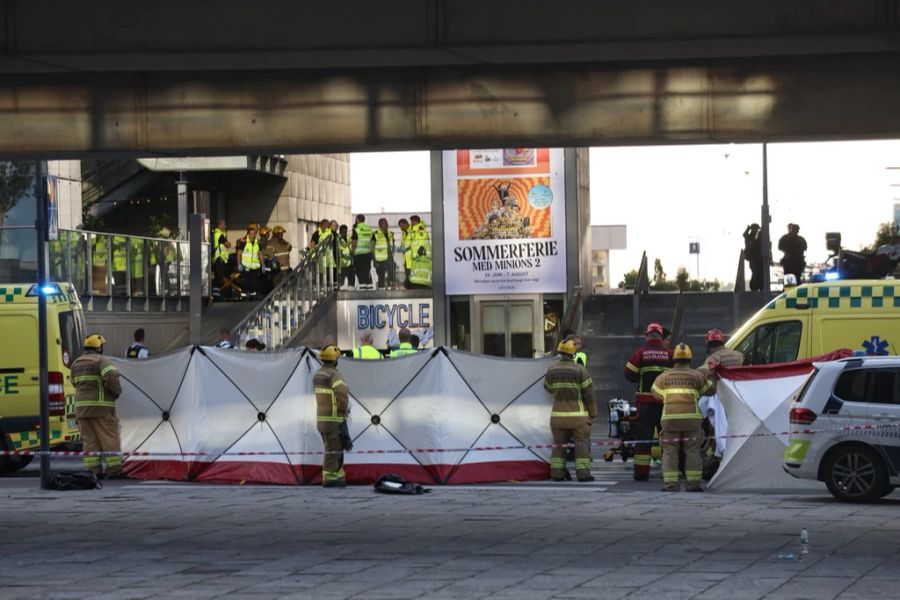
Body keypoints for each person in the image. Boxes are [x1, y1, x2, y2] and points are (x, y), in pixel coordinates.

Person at [651, 343, 715, 492]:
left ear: (674, 359)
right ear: (690, 359)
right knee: (692, 451)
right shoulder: (697, 376)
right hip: (691, 421)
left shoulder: (663, 377)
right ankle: (693, 485)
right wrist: (710, 377)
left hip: (670, 420)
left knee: (670, 452)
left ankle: (671, 485)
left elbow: (655, 394)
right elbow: (711, 391)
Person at [624, 322, 674, 481]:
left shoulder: (640, 353)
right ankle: (670, 472)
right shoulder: (670, 354)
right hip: (665, 404)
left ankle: (641, 473)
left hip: (645, 404)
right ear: (661, 337)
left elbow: (629, 374)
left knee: (643, 440)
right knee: (667, 440)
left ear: (647, 336)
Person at [71, 334, 125, 479]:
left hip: (81, 410)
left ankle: (93, 470)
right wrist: (116, 392)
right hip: (101, 409)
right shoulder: (102, 361)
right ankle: (114, 470)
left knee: (90, 441)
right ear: (99, 348)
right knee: (109, 438)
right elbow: (112, 378)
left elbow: (74, 383)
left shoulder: (76, 363)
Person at [544, 339, 597, 482]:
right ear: (573, 353)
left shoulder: (552, 369)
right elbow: (589, 393)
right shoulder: (580, 370)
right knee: (581, 445)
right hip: (578, 417)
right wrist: (593, 413)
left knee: (558, 446)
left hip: (558, 417)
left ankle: (557, 474)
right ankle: (583, 474)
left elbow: (548, 388)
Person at [697, 329, 744, 477]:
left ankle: (715, 463)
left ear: (709, 345)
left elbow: (702, 372)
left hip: (720, 400)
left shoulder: (713, 358)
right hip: (737, 399)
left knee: (715, 431)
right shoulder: (738, 355)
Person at [314, 344, 350, 487]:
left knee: (332, 447)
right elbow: (341, 393)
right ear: (335, 359)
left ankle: (338, 475)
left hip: (322, 419)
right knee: (334, 449)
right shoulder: (334, 374)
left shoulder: (319, 374)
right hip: (334, 418)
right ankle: (330, 478)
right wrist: (343, 410)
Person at [236, 224, 266, 299]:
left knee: (254, 283)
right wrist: (239, 264)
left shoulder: (258, 243)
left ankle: (253, 297)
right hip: (246, 266)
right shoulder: (244, 242)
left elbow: (260, 254)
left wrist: (263, 265)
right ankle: (244, 297)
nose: (252, 235)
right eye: (250, 234)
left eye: (253, 233)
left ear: (256, 234)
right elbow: (239, 254)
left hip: (255, 267)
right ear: (248, 234)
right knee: (246, 282)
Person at [310, 219, 336, 288]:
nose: (328, 226)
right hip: (320, 256)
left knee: (328, 272)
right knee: (320, 273)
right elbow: (312, 244)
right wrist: (318, 250)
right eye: (326, 225)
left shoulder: (329, 232)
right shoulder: (317, 233)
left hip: (328, 257)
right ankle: (321, 286)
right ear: (322, 225)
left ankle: (327, 286)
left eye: (328, 225)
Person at [351, 214, 374, 289]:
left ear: (357, 219)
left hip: (358, 254)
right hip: (368, 254)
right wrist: (373, 254)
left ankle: (363, 288)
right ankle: (369, 287)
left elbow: (354, 243)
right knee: (367, 271)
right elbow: (372, 243)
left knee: (360, 272)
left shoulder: (356, 229)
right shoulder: (369, 229)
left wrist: (352, 253)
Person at [211, 219, 232, 300]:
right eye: (224, 224)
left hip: (218, 259)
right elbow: (228, 244)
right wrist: (228, 243)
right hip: (219, 258)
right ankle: (216, 296)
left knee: (219, 277)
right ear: (219, 225)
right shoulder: (219, 234)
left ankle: (217, 294)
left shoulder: (217, 233)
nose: (225, 226)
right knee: (219, 277)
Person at [373, 218, 395, 289]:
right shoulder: (375, 234)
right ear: (380, 225)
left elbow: (392, 244)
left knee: (391, 272)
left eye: (386, 223)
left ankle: (391, 286)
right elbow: (372, 247)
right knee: (381, 275)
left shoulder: (391, 233)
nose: (386, 224)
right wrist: (374, 259)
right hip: (380, 258)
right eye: (383, 223)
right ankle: (381, 288)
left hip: (389, 256)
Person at [742, 223, 763, 291]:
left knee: (756, 273)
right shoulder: (751, 237)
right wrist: (748, 229)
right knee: (756, 273)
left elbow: (744, 234)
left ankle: (756, 286)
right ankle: (755, 287)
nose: (757, 230)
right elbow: (745, 235)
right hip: (753, 258)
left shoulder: (752, 237)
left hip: (754, 258)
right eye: (756, 229)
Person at [338, 224, 355, 289]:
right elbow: (342, 247)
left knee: (351, 275)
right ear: (340, 231)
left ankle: (351, 286)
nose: (345, 233)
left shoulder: (348, 237)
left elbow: (350, 246)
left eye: (346, 231)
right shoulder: (338, 238)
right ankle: (341, 286)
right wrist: (350, 243)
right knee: (342, 276)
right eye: (343, 231)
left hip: (350, 261)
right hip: (342, 262)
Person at [398, 218, 412, 288]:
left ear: (406, 224)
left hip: (413, 258)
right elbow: (402, 244)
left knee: (412, 274)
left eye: (401, 226)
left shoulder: (412, 231)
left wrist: (405, 249)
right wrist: (399, 249)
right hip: (406, 258)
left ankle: (413, 287)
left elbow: (414, 243)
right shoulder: (403, 234)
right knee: (408, 273)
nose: (401, 228)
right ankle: (410, 287)